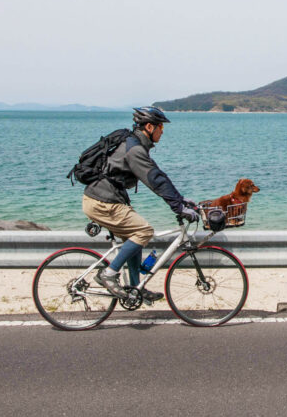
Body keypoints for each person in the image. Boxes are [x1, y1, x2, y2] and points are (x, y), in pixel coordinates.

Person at [82, 106, 199, 302]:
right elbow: (154, 179)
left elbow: (158, 174)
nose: (163, 131)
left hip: (105, 200)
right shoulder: (134, 149)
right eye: (161, 127)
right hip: (102, 202)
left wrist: (180, 200)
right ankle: (108, 274)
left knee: (134, 237)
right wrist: (178, 208)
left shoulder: (135, 144)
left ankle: (135, 288)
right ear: (150, 127)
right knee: (143, 231)